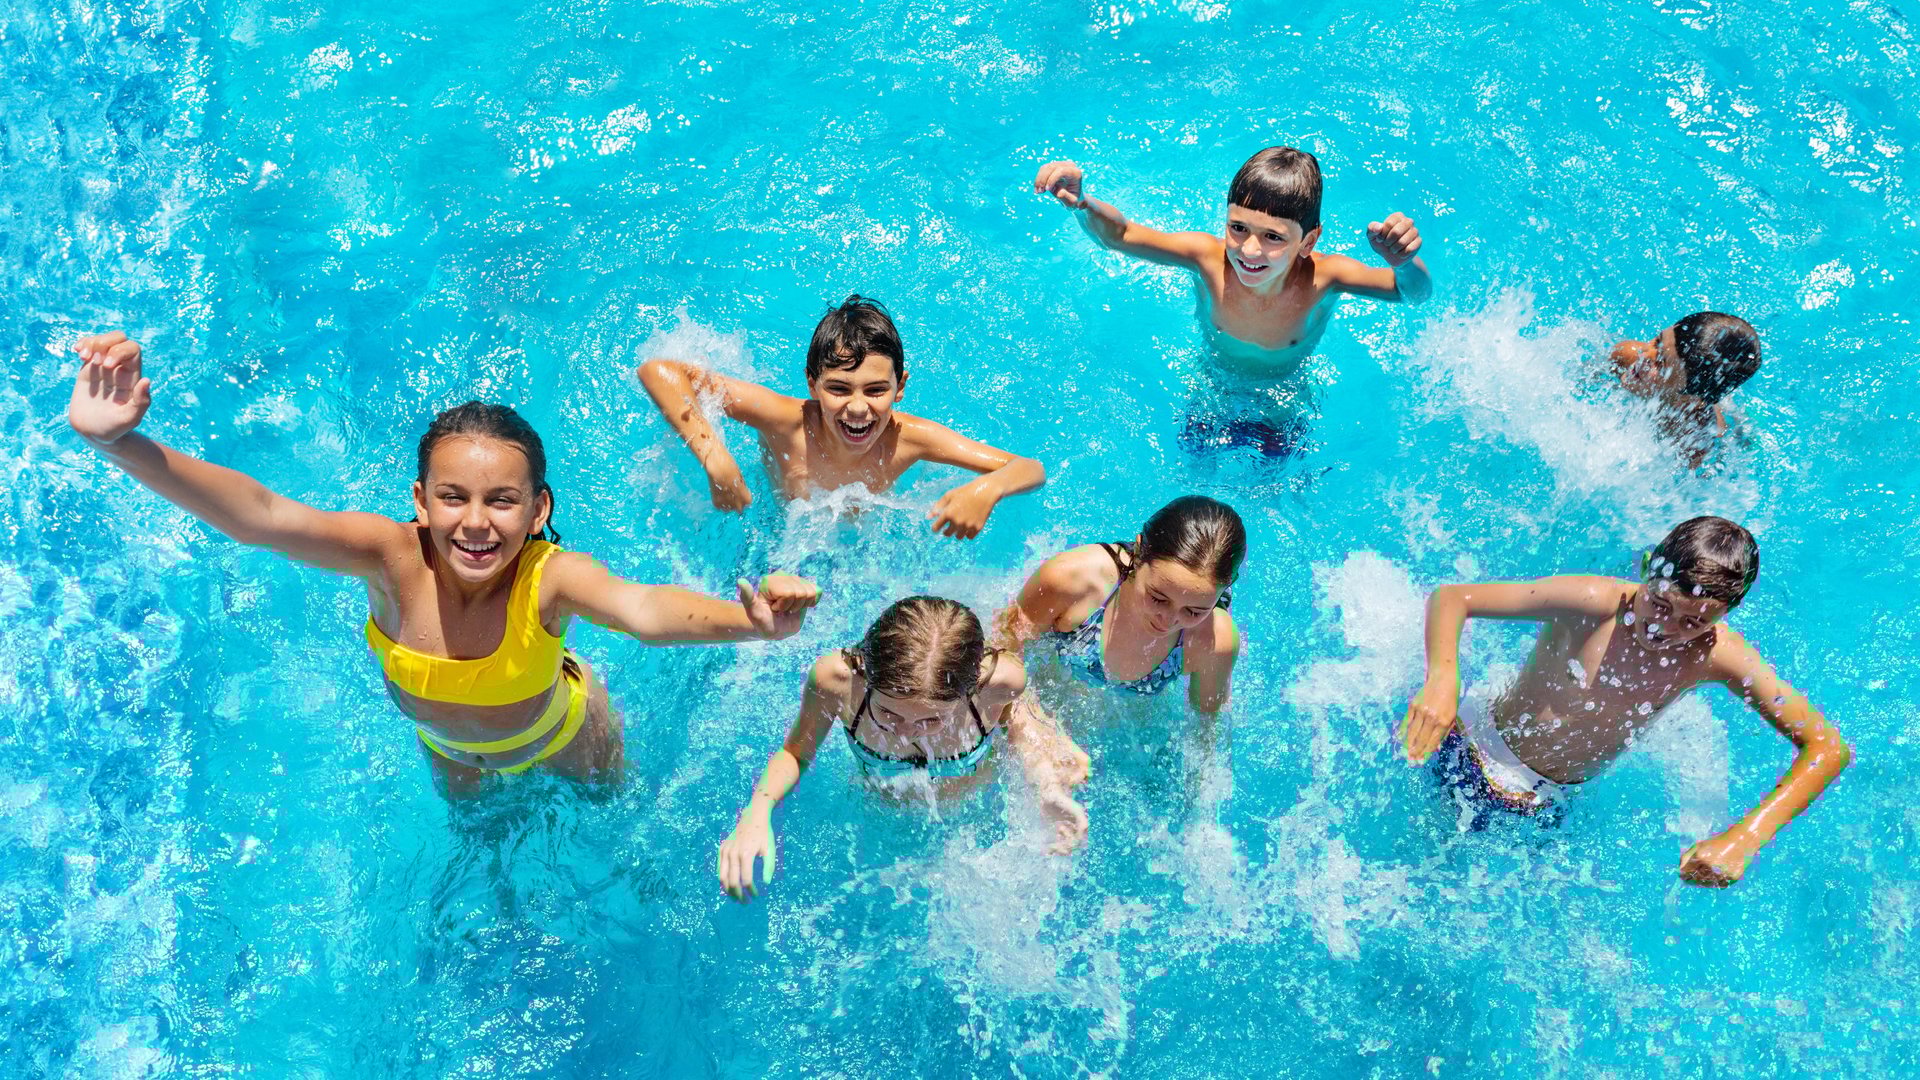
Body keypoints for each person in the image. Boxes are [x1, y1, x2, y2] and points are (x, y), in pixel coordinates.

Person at [68, 331, 820, 797]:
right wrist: (117, 442)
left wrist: (748, 623)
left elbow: (642, 610)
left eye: (502, 501)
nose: (475, 521)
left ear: (539, 511)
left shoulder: (546, 577)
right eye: (454, 498)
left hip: (566, 739)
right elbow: (263, 516)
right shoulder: (390, 559)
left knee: (611, 834)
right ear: (421, 502)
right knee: (478, 861)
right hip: (452, 753)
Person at [1398, 516, 1850, 887]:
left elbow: (1828, 748)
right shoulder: (1593, 601)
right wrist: (1442, 679)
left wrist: (1745, 838)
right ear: (1648, 570)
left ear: (1724, 615)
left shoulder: (1716, 655)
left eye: (1693, 621)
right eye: (1660, 603)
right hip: (1471, 744)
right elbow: (1454, 598)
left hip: (1544, 800)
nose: (1666, 629)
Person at [715, 596, 1084, 901]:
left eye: (931, 721)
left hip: (973, 815)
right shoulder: (837, 681)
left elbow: (1018, 726)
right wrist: (757, 810)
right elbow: (796, 752)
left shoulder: (1002, 682)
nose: (908, 734)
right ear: (866, 675)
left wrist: (1047, 789)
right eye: (888, 714)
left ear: (971, 691)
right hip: (878, 812)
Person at [637, 295, 1045, 539]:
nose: (857, 408)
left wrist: (987, 490)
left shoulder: (911, 439)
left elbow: (1029, 469)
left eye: (876, 390)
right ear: (812, 384)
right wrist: (714, 457)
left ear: (899, 387)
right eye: (838, 389)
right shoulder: (786, 420)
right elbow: (661, 371)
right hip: (772, 526)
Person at [993, 496, 1247, 845]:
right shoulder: (1072, 580)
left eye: (1194, 610)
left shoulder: (1215, 642)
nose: (1169, 619)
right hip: (1050, 679)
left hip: (1133, 720)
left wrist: (1197, 813)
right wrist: (1037, 731)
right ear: (1140, 551)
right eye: (1158, 597)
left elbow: (1205, 724)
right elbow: (999, 651)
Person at [1609, 311, 1761, 468]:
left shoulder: (1693, 443)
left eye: (1661, 363)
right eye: (1657, 342)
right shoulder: (1627, 355)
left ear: (1691, 397)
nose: (1645, 355)